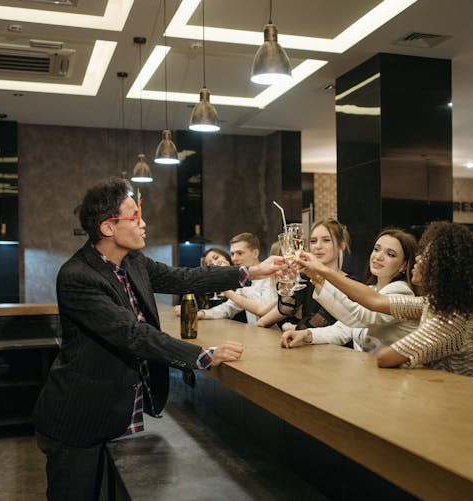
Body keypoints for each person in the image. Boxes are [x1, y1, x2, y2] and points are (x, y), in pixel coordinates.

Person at [31, 178, 284, 501]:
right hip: (79, 419)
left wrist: (251, 272)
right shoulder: (79, 276)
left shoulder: (133, 262)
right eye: (135, 216)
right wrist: (202, 356)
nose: (144, 223)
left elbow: (183, 277)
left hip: (115, 413)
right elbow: (133, 335)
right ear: (108, 227)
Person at [296, 221, 473, 378]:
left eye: (428, 257)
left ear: (442, 270)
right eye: (376, 249)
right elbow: (374, 301)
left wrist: (321, 272)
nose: (420, 259)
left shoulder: (450, 320)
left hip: (457, 406)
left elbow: (386, 356)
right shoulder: (429, 304)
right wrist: (319, 273)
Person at [281, 228, 418, 353]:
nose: (379, 256)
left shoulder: (401, 293)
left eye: (390, 254)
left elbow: (358, 317)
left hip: (394, 375)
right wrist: (306, 335)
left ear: (403, 266)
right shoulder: (372, 289)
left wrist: (318, 275)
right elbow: (343, 329)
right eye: (376, 249)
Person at [257, 218, 351, 331]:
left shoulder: (348, 282)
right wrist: (288, 281)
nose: (318, 246)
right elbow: (285, 308)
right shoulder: (306, 278)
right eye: (313, 241)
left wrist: (292, 327)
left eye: (326, 240)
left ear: (342, 245)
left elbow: (318, 324)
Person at [175, 234, 277, 324]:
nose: (234, 258)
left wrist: (225, 288)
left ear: (255, 253)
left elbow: (265, 310)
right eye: (232, 254)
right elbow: (228, 308)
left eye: (239, 253)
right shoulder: (243, 279)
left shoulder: (271, 277)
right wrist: (200, 314)